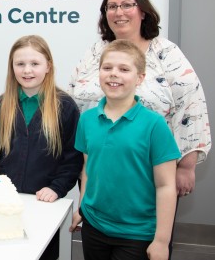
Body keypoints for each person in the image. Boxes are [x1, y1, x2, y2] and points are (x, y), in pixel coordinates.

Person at [67, 0, 211, 200]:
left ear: (143, 11)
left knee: (148, 232)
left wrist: (186, 167)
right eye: (112, 6)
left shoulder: (166, 53)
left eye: (127, 5)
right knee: (98, 227)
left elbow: (191, 106)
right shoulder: (95, 52)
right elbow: (73, 100)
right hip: (96, 166)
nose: (119, 12)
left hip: (150, 169)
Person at [0, 35, 83, 260]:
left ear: (48, 66)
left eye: (35, 64)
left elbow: (73, 158)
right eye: (20, 64)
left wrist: (57, 188)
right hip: (8, 201)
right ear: (12, 68)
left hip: (45, 203)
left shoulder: (65, 105)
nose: (27, 70)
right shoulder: (4, 102)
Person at [69, 39, 181, 260]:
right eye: (107, 68)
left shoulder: (154, 125)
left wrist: (161, 241)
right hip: (94, 226)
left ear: (140, 78)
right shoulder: (87, 120)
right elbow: (88, 170)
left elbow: (166, 186)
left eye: (124, 69)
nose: (114, 74)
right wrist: (82, 209)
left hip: (137, 234)